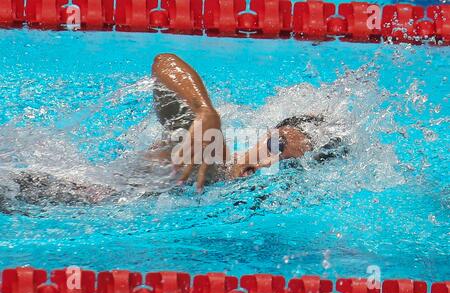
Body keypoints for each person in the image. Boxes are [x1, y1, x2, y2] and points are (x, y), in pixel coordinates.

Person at [2, 54, 346, 208]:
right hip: (39, 190)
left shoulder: (223, 177)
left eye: (283, 163)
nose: (270, 160)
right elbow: (164, 63)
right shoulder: (211, 156)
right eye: (276, 144)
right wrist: (204, 111)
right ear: (264, 133)